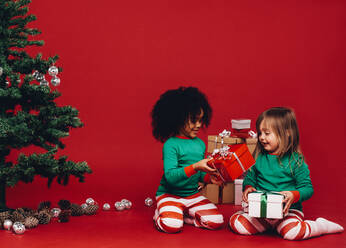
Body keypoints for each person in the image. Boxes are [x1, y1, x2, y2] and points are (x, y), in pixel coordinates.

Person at [229, 107, 343, 240]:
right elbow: (250, 178)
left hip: (287, 212)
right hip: (261, 212)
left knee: (293, 233)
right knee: (238, 224)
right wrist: (248, 188)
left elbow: (307, 188)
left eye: (267, 133)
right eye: (260, 133)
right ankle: (269, 226)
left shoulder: (296, 160)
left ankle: (321, 226)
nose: (261, 137)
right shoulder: (258, 157)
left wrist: (293, 195)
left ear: (287, 133)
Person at [150, 86, 224, 233]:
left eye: (201, 120)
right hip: (169, 194)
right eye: (193, 120)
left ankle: (182, 216)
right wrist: (196, 166)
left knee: (217, 221)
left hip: (193, 196)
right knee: (171, 226)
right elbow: (170, 177)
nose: (198, 125)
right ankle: (162, 214)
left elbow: (200, 174)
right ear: (178, 119)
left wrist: (210, 178)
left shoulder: (200, 144)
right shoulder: (171, 145)